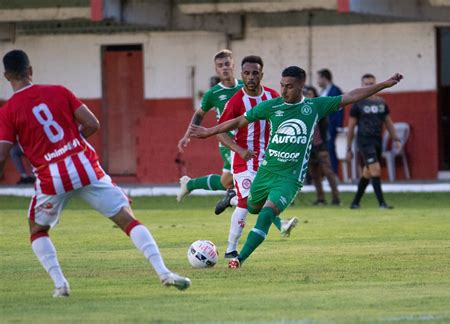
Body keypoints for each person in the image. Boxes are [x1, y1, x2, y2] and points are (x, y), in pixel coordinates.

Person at [0, 50, 190, 297]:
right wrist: (70, 144)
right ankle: (164, 272)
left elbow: (2, 154)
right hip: (85, 166)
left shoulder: (8, 111)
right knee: (127, 219)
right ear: (31, 70)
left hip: (51, 177)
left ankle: (61, 285)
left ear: (6, 76)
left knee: (37, 231)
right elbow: (92, 124)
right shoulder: (59, 91)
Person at [190, 66, 403, 268]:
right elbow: (238, 121)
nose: (283, 90)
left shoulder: (314, 106)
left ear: (302, 85)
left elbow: (352, 96)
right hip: (265, 173)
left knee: (265, 215)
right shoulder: (272, 106)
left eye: (289, 86)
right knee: (252, 207)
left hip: (289, 179)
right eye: (282, 85)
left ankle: (239, 259)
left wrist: (383, 84)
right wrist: (209, 132)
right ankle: (233, 197)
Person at [216, 55, 298, 258]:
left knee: (262, 203)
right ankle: (230, 249)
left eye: (255, 73)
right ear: (241, 74)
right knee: (246, 205)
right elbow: (220, 131)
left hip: (269, 161)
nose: (251, 77)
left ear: (262, 74)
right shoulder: (237, 100)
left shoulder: (272, 96)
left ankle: (233, 197)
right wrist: (238, 149)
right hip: (244, 160)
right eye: (246, 73)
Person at [177, 49, 243, 214]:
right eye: (220, 65)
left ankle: (191, 185)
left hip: (247, 139)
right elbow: (199, 114)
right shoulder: (213, 94)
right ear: (216, 70)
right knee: (246, 182)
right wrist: (187, 135)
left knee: (227, 181)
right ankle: (280, 223)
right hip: (227, 142)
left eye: (227, 64)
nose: (224, 68)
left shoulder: (245, 87)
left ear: (233, 64)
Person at [346, 73, 401, 209]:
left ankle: (355, 203)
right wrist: (348, 148)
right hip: (364, 141)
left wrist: (396, 139)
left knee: (368, 172)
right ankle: (382, 203)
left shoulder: (381, 103)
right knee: (375, 170)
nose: (369, 86)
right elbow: (351, 126)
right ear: (362, 85)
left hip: (378, 140)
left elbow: (388, 122)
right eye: (366, 84)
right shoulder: (357, 104)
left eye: (372, 84)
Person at [304, 86, 341, 206]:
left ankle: (336, 197)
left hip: (320, 146)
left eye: (310, 93)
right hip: (308, 148)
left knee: (328, 172)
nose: (308, 95)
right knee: (314, 175)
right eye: (306, 93)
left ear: (315, 95)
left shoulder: (320, 109)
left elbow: (325, 127)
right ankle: (321, 198)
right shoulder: (301, 110)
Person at [317, 69, 344, 173]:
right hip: (322, 126)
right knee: (323, 150)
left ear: (324, 78)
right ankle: (324, 174)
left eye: (319, 78)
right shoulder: (322, 92)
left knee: (331, 148)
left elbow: (340, 109)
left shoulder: (335, 90)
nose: (317, 81)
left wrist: (338, 125)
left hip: (331, 125)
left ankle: (333, 173)